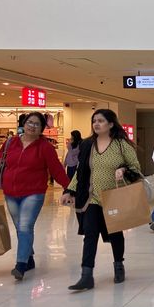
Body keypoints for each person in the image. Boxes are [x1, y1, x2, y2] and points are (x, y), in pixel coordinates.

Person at [61, 109, 141, 291]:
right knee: (90, 233)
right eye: (94, 121)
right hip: (93, 198)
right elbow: (81, 172)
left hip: (114, 197)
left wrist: (124, 171)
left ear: (111, 124)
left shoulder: (121, 145)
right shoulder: (88, 144)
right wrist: (69, 190)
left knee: (115, 234)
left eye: (101, 121)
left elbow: (135, 167)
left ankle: (118, 264)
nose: (96, 124)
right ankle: (86, 275)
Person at [0, 112, 70, 281]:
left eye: (37, 124)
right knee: (19, 227)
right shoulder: (10, 143)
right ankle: (29, 258)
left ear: (42, 129)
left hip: (33, 193)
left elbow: (57, 170)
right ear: (24, 123)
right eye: (30, 122)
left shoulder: (45, 148)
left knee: (24, 226)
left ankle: (20, 265)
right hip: (10, 192)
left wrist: (70, 188)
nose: (32, 126)